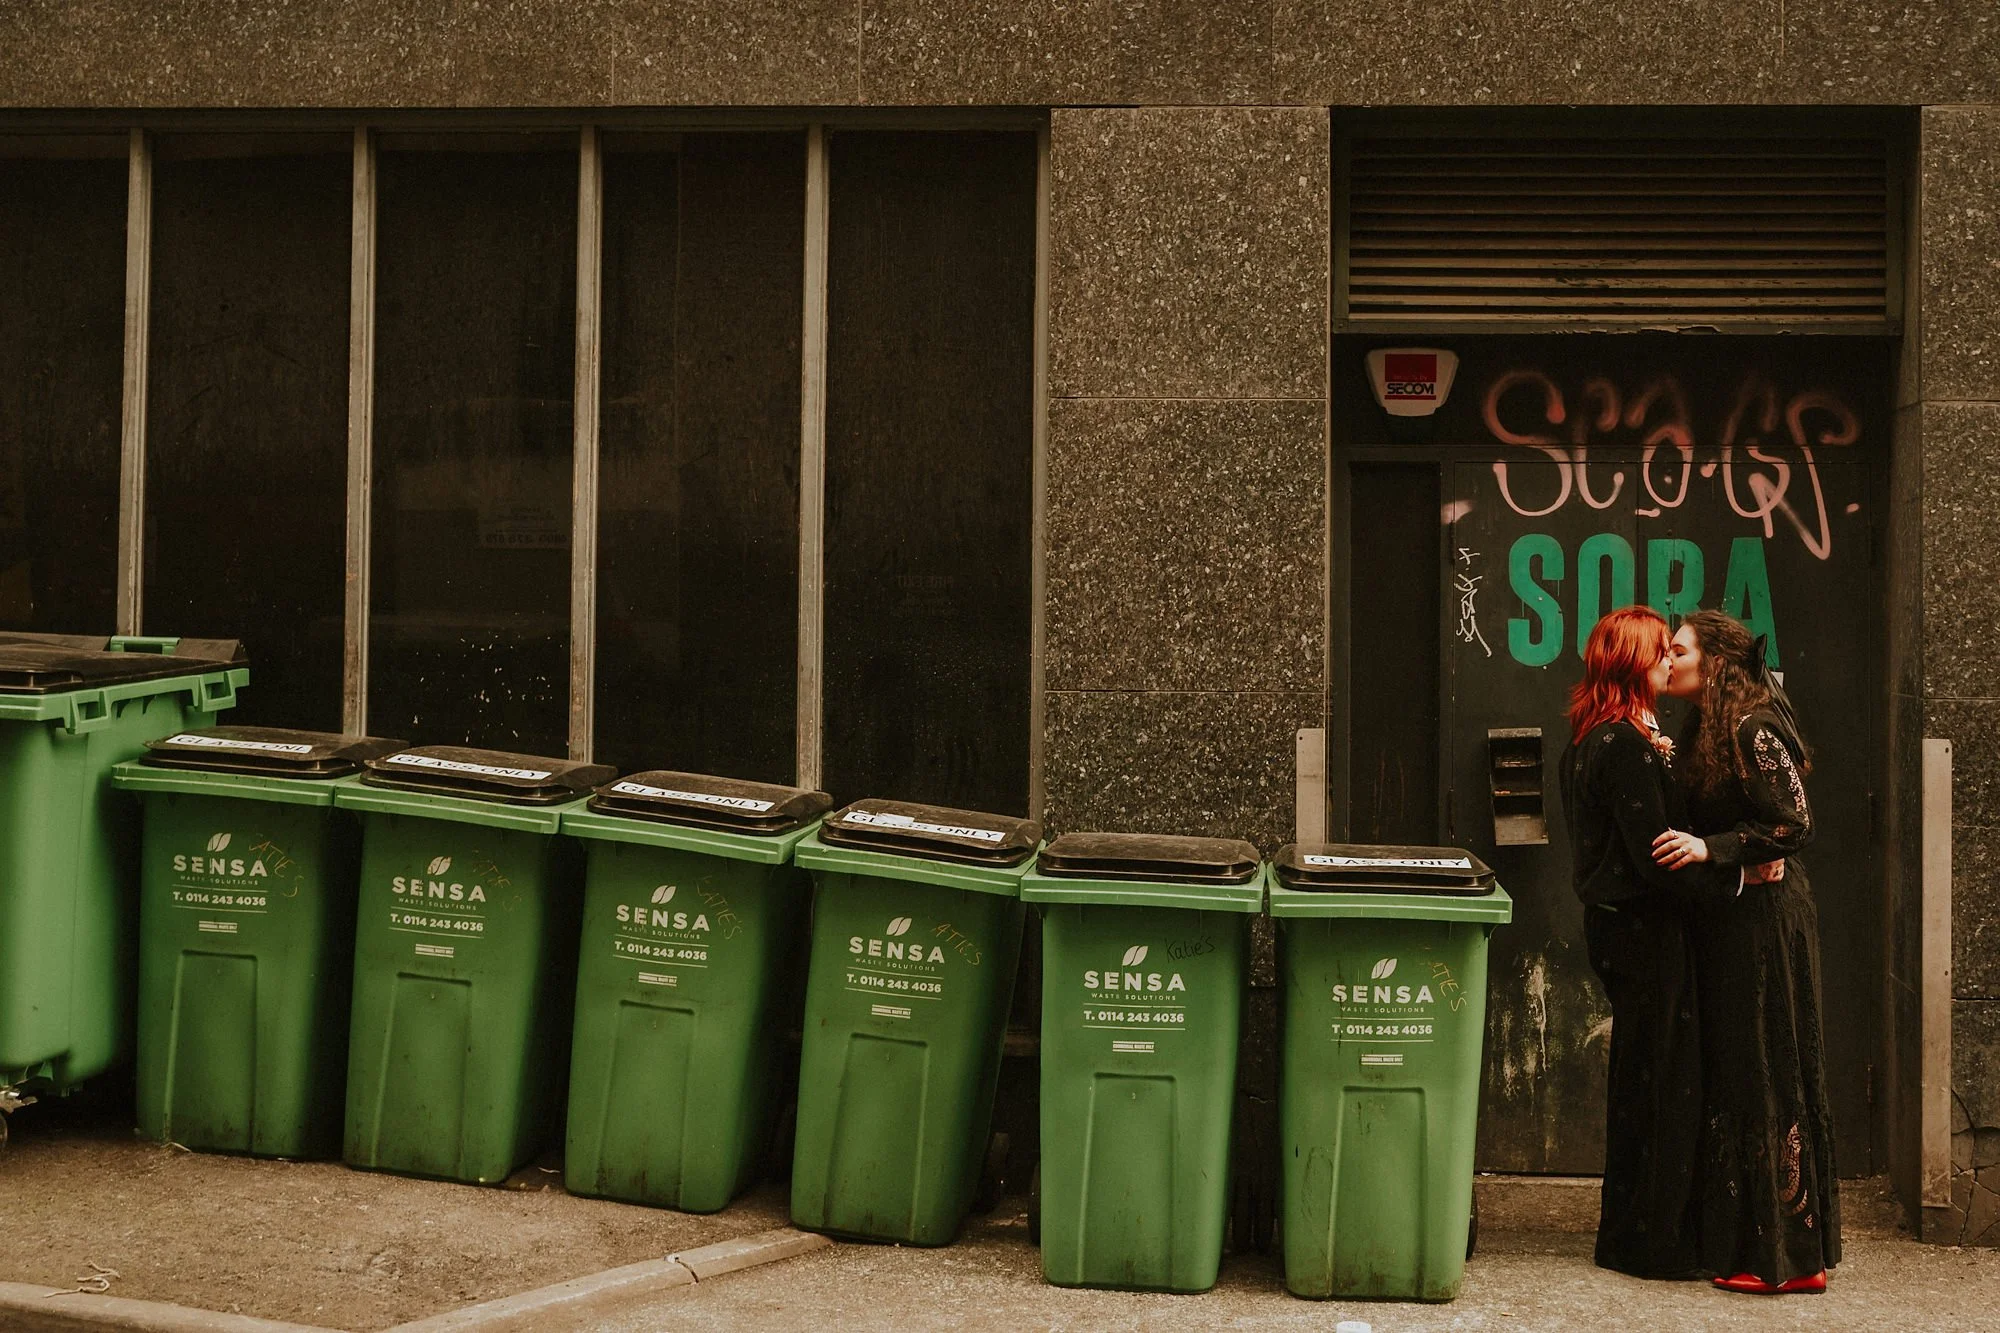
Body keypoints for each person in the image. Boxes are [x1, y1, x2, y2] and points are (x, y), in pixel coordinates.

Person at [1652, 609, 1840, 1295]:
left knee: (1770, 1061)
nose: (1666, 660)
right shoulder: (1704, 727)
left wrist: (1715, 848)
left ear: (1716, 663)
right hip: (1735, 919)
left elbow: (1795, 821)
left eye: (1678, 650)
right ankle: (1763, 1246)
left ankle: (1788, 1259)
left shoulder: (1751, 726)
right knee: (1742, 1066)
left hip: (1767, 923)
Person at [1560, 606, 1744, 1280]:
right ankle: (1654, 1243)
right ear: (1635, 662)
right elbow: (1654, 857)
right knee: (1666, 1083)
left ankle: (1631, 1234)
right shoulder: (1625, 747)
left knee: (1643, 1078)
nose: (1671, 659)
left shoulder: (1595, 738)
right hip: (1645, 932)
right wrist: (1734, 876)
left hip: (1620, 928)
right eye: (1660, 650)